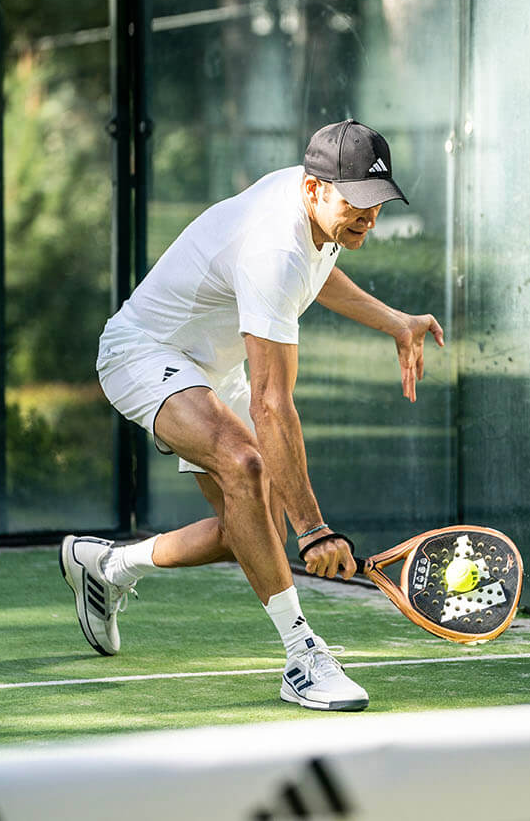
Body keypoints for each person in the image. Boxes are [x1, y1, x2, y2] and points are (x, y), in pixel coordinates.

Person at [61, 119, 444, 712]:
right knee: (246, 465)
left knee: (254, 529)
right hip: (144, 353)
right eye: (355, 204)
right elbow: (271, 403)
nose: (367, 218)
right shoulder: (274, 245)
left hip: (212, 366)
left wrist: (393, 320)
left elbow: (317, 273)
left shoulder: (318, 210)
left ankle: (109, 566)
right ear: (315, 188)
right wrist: (315, 529)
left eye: (377, 204)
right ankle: (302, 657)